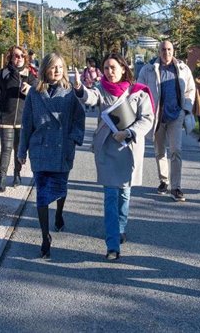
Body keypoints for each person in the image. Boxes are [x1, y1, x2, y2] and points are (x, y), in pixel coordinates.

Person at [73, 53, 154, 260]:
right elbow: (90, 98)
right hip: (107, 149)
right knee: (110, 196)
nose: (110, 71)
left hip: (128, 149)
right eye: (106, 68)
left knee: (124, 194)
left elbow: (147, 119)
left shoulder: (138, 92)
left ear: (123, 68)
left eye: (113, 67)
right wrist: (79, 89)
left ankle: (120, 227)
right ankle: (112, 245)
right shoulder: (101, 89)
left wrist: (128, 132)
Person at [18, 52, 85, 259]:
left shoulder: (69, 93)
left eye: (60, 67)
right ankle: (45, 236)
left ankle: (59, 213)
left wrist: (73, 138)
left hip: (62, 148)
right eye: (53, 67)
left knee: (60, 188)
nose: (56, 71)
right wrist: (22, 151)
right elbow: (27, 123)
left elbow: (79, 117)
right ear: (45, 69)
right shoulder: (34, 94)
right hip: (40, 148)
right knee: (42, 195)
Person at [137, 40, 195, 202]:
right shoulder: (148, 70)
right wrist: (145, 111)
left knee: (176, 150)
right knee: (159, 151)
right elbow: (140, 92)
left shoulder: (183, 69)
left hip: (176, 116)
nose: (166, 53)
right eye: (163, 49)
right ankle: (164, 181)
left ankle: (176, 187)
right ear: (159, 51)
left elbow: (190, 89)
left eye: (169, 49)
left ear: (173, 50)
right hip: (156, 117)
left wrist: (186, 109)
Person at [0, 46, 38, 193]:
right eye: (16, 56)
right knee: (6, 149)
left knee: (19, 150)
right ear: (10, 57)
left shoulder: (30, 75)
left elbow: (38, 92)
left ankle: (17, 175)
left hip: (22, 119)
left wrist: (29, 89)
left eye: (22, 56)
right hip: (5, 117)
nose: (19, 59)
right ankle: (1, 180)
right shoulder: (3, 73)